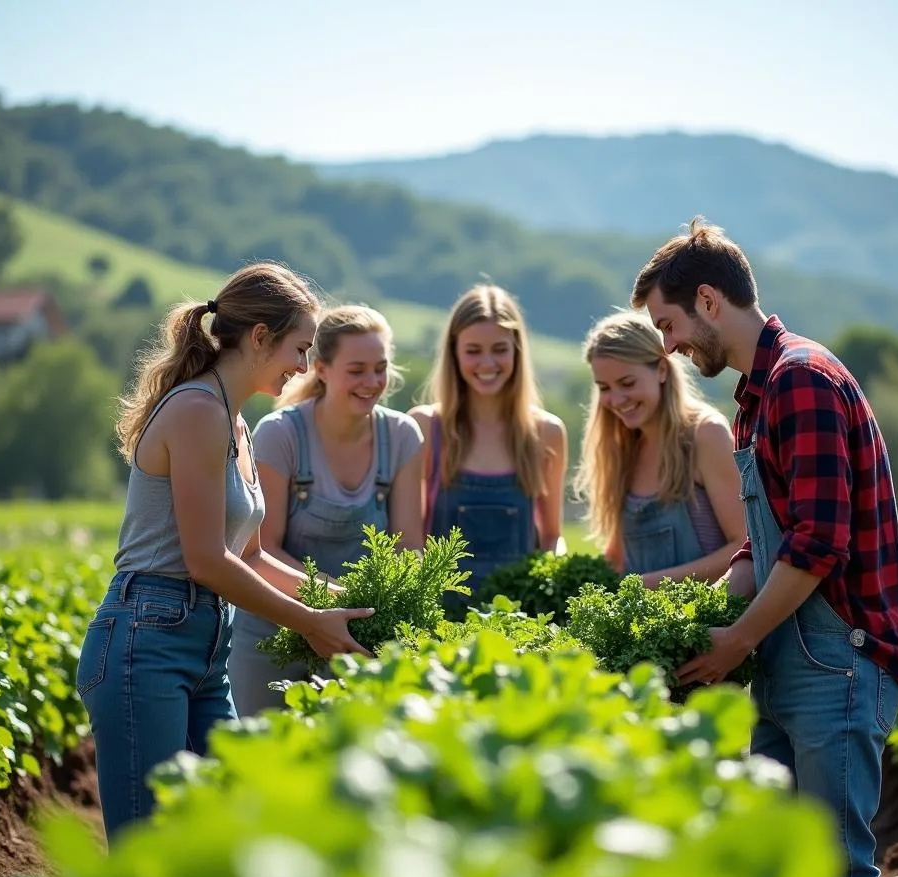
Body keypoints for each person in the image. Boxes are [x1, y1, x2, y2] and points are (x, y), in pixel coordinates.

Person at [631, 218, 898, 877]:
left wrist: (739, 639)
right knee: (783, 872)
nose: (669, 346)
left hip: (839, 661)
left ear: (708, 299)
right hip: (791, 661)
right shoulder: (756, 399)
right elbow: (765, 548)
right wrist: (689, 619)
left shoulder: (803, 381)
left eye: (668, 324)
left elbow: (820, 544)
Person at [75, 263, 374, 842]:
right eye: (300, 348)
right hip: (147, 642)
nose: (304, 367)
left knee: (226, 827)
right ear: (259, 336)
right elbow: (207, 560)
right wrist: (311, 623)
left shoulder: (235, 423)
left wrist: (347, 599)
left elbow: (254, 556)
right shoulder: (196, 411)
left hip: (206, 648)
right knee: (151, 853)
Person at [228, 305, 424, 715]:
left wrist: (362, 614)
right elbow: (262, 552)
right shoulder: (281, 434)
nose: (372, 382)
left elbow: (409, 547)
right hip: (272, 633)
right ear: (321, 369)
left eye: (380, 368)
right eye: (357, 370)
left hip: (357, 637)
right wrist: (340, 600)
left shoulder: (402, 436)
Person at [409, 284, 567, 607]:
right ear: (454, 352)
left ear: (517, 350)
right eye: (473, 350)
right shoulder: (425, 428)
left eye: (499, 349)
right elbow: (411, 542)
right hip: (440, 621)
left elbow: (552, 536)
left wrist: (555, 579)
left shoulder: (547, 433)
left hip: (519, 622)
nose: (487, 362)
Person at [574, 310, 745, 584]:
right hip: (639, 625)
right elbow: (618, 558)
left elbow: (744, 547)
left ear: (662, 370)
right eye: (604, 388)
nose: (616, 399)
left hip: (709, 623)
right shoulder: (619, 449)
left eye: (627, 383)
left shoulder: (705, 434)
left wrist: (649, 585)